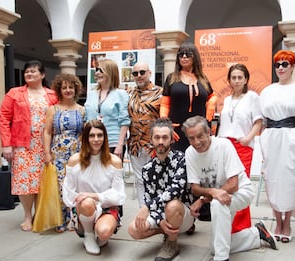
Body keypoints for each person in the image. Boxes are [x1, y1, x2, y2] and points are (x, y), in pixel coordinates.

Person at [183, 116, 277, 261]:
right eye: (191, 138)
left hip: (242, 192)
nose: (197, 142)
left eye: (200, 136)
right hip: (220, 196)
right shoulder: (190, 153)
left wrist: (206, 198)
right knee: (215, 247)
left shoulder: (223, 145)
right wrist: (210, 193)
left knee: (217, 204)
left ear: (209, 132)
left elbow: (233, 184)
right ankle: (256, 234)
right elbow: (195, 187)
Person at [259, 50, 295, 243]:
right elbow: (262, 120)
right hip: (271, 137)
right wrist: (263, 139)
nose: (281, 68)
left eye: (285, 64)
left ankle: (287, 222)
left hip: (291, 136)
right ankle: (277, 221)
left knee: (291, 178)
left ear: (292, 66)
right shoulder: (267, 91)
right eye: (277, 65)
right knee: (272, 178)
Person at [0, 60, 58, 232]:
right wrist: (6, 145)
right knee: (24, 182)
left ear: (43, 75)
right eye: (27, 72)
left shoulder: (52, 95)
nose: (29, 74)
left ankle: (40, 214)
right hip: (22, 145)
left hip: (46, 145)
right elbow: (3, 118)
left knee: (42, 180)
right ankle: (27, 215)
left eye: (33, 71)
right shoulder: (14, 93)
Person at [128, 118, 194, 261]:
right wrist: (159, 220)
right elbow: (150, 196)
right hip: (162, 214)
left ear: (172, 139)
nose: (161, 141)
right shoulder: (147, 169)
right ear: (151, 139)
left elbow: (175, 190)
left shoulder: (182, 159)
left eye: (165, 137)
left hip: (183, 213)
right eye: (157, 137)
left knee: (172, 204)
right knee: (134, 229)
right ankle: (166, 230)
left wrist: (147, 207)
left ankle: (172, 243)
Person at [62, 120, 126, 255]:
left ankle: (99, 231)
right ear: (86, 138)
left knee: (103, 232)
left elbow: (119, 196)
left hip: (107, 205)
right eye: (92, 136)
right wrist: (85, 201)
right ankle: (89, 234)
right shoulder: (75, 161)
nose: (96, 139)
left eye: (100, 135)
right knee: (87, 203)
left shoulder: (115, 161)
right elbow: (68, 194)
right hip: (83, 207)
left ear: (105, 137)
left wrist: (95, 196)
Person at [218, 63, 263, 233]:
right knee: (227, 185)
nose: (236, 81)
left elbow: (258, 121)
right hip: (225, 145)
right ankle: (228, 223)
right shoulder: (227, 100)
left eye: (239, 77)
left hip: (242, 146)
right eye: (233, 77)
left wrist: (248, 139)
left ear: (246, 80)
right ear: (229, 80)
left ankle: (241, 226)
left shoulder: (252, 97)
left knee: (241, 186)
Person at [44, 73, 85, 232]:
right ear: (59, 90)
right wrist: (47, 153)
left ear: (76, 89)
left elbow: (84, 133)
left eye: (71, 87)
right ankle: (61, 219)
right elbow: (47, 132)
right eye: (64, 87)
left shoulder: (82, 110)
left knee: (76, 185)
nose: (68, 90)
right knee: (60, 186)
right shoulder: (52, 109)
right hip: (58, 153)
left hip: (77, 152)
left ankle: (74, 219)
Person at [160, 41, 215, 152]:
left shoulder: (203, 79)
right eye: (181, 54)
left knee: (200, 162)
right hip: (177, 129)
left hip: (199, 131)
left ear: (195, 57)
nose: (184, 57)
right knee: (178, 163)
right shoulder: (171, 78)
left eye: (188, 54)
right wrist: (165, 123)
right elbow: (165, 104)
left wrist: (212, 104)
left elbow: (212, 96)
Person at [127, 62, 163, 207]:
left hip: (155, 144)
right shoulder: (130, 94)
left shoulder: (161, 93)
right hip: (135, 144)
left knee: (157, 178)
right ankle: (144, 210)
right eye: (135, 73)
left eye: (142, 72)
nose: (139, 76)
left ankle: (159, 211)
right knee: (140, 179)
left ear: (149, 73)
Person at [84, 58, 130, 159]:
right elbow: (87, 119)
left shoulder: (121, 94)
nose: (97, 73)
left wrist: (120, 145)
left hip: (113, 142)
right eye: (96, 70)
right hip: (93, 142)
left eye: (101, 70)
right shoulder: (91, 94)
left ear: (110, 72)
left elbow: (124, 121)